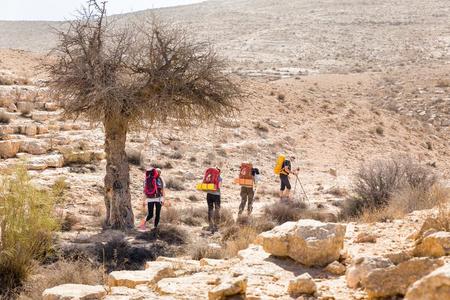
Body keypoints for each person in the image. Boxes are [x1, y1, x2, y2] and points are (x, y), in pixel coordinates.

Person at [206, 167, 222, 233]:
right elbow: (219, 186)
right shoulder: (220, 178)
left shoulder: (209, 176)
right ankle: (216, 225)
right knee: (217, 209)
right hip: (216, 195)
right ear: (219, 172)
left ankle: (210, 224)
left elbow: (206, 181)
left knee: (210, 209)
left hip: (209, 194)